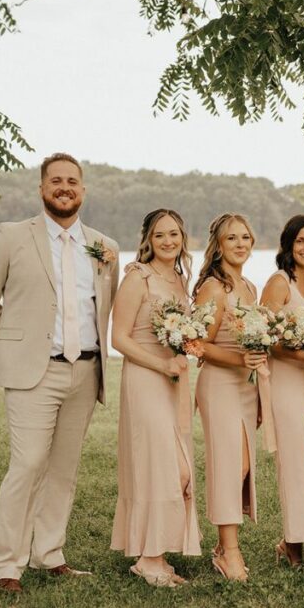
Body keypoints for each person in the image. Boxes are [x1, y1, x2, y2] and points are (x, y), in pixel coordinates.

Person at [0, 152, 119, 593]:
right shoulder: (12, 237)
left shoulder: (103, 246)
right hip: (33, 373)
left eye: (72, 181)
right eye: (56, 180)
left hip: (86, 371)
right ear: (41, 188)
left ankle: (49, 553)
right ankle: (7, 564)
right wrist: (15, 342)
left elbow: (104, 306)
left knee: (63, 469)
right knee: (28, 464)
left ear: (83, 190)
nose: (64, 187)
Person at [110, 209, 201, 586]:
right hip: (146, 377)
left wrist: (192, 347)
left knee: (177, 466)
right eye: (160, 235)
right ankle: (149, 559)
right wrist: (161, 364)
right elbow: (119, 338)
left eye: (174, 234)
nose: (168, 241)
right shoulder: (138, 276)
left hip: (175, 378)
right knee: (161, 465)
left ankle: (155, 555)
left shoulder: (180, 279)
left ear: (182, 238)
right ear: (148, 239)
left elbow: (184, 336)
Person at [194, 213, 266, 581]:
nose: (240, 244)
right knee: (231, 465)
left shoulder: (249, 287)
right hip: (220, 384)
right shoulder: (213, 287)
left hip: (246, 386)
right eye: (232, 238)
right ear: (219, 245)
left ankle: (225, 547)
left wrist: (259, 389)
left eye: (245, 237)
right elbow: (197, 344)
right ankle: (229, 551)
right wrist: (240, 360)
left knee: (243, 466)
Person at [261, 215, 304, 575]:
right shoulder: (279, 282)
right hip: (288, 380)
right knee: (301, 461)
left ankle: (291, 543)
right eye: (301, 240)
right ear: (288, 244)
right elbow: (264, 338)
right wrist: (302, 355)